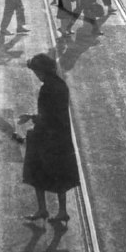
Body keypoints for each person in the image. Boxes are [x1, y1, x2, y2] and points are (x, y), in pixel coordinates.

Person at [19, 53, 79, 224]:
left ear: (42, 71)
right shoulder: (61, 85)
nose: (36, 75)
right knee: (60, 175)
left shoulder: (46, 89)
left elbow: (47, 116)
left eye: (36, 72)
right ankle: (62, 211)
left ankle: (42, 209)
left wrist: (32, 118)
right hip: (61, 137)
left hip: (46, 137)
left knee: (36, 171)